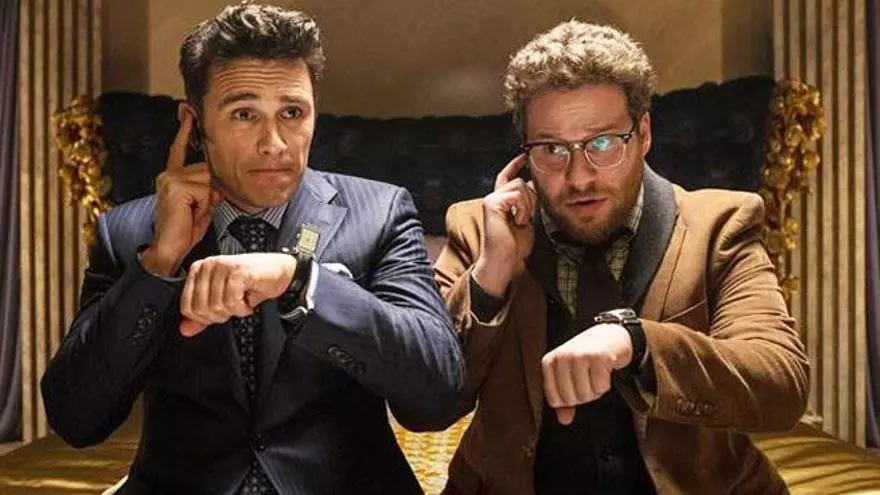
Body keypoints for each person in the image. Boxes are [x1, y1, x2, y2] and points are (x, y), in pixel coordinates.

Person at [41, 3, 464, 493]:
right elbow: (76, 419)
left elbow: (438, 397)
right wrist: (158, 265)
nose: (275, 143)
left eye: (292, 113)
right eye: (244, 114)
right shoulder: (126, 231)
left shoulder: (379, 213)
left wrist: (300, 282)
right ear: (194, 122)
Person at [434, 20, 810, 495]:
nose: (579, 177)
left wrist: (636, 343)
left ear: (643, 133)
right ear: (524, 155)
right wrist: (491, 275)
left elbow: (780, 384)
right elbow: (425, 405)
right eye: (552, 149)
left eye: (603, 143)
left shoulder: (719, 226)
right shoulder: (478, 230)